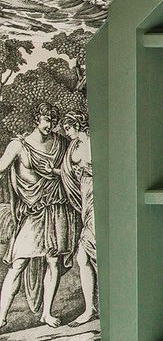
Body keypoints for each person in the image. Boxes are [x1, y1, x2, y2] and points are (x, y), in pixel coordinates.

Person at [0, 105, 79, 329]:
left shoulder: (62, 143)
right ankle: (1, 316)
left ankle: (46, 313)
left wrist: (56, 171)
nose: (50, 125)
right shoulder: (19, 145)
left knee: (53, 261)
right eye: (46, 119)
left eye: (53, 121)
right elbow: (1, 167)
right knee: (18, 263)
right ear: (37, 119)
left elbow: (73, 171)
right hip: (33, 210)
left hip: (57, 206)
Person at [61, 111, 94, 326]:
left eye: (68, 128)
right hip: (85, 199)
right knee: (83, 257)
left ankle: (93, 309)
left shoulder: (95, 142)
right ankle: (90, 308)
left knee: (88, 253)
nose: (66, 132)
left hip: (100, 198)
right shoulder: (74, 147)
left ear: (77, 125)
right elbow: (68, 172)